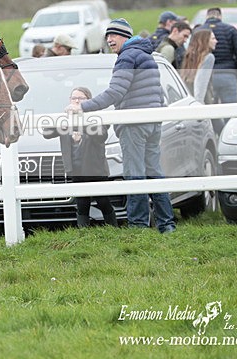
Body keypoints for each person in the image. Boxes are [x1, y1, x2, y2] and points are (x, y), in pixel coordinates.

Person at [67, 18, 176, 233]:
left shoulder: (127, 57)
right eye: (107, 36)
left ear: (125, 36)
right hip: (153, 122)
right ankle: (167, 225)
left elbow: (115, 92)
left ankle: (138, 227)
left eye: (114, 35)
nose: (109, 39)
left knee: (134, 175)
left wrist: (83, 107)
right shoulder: (147, 55)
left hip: (134, 124)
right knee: (155, 173)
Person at [44, 87, 117, 227]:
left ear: (88, 101)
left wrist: (80, 122)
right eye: (74, 98)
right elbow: (47, 133)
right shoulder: (66, 119)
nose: (76, 101)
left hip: (95, 168)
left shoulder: (95, 117)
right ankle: (83, 234)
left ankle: (113, 229)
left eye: (81, 98)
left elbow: (101, 135)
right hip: (76, 169)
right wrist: (66, 119)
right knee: (82, 204)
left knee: (103, 201)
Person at [201, 7, 237, 105]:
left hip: (206, 77)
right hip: (228, 74)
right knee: (231, 110)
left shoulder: (199, 31)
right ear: (220, 16)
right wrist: (236, 73)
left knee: (210, 112)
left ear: (207, 16)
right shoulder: (231, 30)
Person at [180, 29, 217, 104]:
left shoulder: (190, 56)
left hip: (189, 101)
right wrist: (199, 104)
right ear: (205, 41)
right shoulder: (209, 57)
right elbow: (201, 82)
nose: (216, 41)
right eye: (213, 38)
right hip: (202, 101)